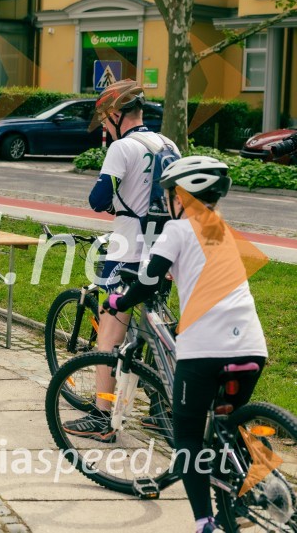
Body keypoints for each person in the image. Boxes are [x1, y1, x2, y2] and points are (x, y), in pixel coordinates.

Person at [103, 156, 267, 533]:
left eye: (172, 193)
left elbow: (147, 281)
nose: (170, 200)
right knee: (229, 424)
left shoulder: (177, 230)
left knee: (188, 437)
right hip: (252, 348)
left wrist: (119, 302)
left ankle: (204, 522)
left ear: (184, 196)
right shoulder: (223, 229)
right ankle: (245, 495)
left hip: (206, 349)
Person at [64, 79, 180, 440]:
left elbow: (98, 198)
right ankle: (163, 412)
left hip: (126, 252)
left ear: (116, 114)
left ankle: (102, 415)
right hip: (165, 253)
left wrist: (117, 201)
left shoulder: (123, 148)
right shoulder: (169, 144)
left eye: (105, 118)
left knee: (108, 338)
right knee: (157, 334)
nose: (105, 125)